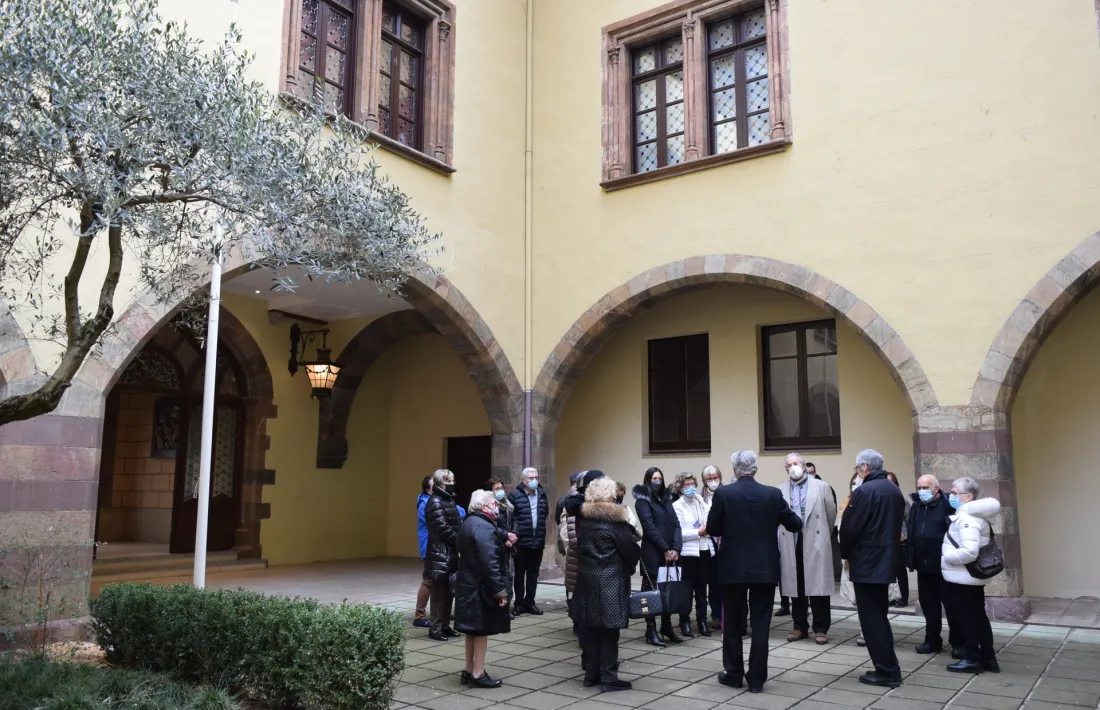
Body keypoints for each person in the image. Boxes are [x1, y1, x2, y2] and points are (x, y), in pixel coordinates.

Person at [707, 450, 801, 693]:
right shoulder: (772, 494)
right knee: (761, 624)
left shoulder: (724, 493)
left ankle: (734, 674)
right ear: (755, 469)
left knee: (732, 623)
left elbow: (713, 528)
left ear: (735, 470)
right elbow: (795, 524)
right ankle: (757, 679)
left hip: (733, 567)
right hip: (764, 568)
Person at [839, 449, 906, 688]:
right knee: (879, 616)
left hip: (867, 562)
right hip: (885, 560)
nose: (858, 472)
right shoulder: (893, 490)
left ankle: (886, 671)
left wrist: (845, 553)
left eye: (858, 467)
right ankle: (888, 666)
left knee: (871, 620)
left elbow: (849, 527)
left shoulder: (865, 490)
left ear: (865, 467)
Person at [574, 476, 642, 692]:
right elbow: (631, 551)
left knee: (592, 630)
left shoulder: (584, 520)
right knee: (610, 632)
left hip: (587, 581)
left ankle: (591, 674)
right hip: (611, 582)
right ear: (610, 496)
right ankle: (609, 678)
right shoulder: (616, 524)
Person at [941, 477, 1001, 674]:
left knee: (968, 619)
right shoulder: (969, 515)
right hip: (967, 576)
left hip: (965, 577)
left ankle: (972, 659)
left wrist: (947, 557)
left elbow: (969, 552)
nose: (951, 495)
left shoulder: (967, 518)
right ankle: (988, 659)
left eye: (954, 492)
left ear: (967, 496)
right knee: (978, 617)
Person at [454, 489, 512, 688]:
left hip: (469, 584)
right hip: (479, 587)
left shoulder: (469, 522)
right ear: (484, 507)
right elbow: (490, 563)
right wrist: (500, 591)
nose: (497, 507)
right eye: (494, 504)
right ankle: (478, 673)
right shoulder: (484, 527)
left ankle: (469, 670)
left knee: (472, 631)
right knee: (481, 631)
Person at [778, 453, 837, 645]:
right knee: (796, 585)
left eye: (795, 463)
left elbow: (830, 515)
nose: (793, 467)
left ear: (803, 466)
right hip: (791, 539)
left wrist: (822, 536)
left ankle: (821, 628)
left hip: (815, 538)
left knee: (818, 584)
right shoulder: (780, 489)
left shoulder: (821, 486)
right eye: (789, 465)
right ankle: (799, 626)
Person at [907, 474, 964, 657]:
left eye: (925, 487)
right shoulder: (917, 506)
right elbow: (912, 531)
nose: (921, 491)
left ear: (936, 489)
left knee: (953, 606)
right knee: (929, 606)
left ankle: (958, 643)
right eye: (919, 487)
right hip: (923, 566)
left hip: (944, 566)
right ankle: (932, 640)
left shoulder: (948, 505)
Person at [633, 466, 683, 647]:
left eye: (660, 478)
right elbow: (649, 526)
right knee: (651, 592)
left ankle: (666, 626)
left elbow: (676, 524)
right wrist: (664, 548)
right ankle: (651, 629)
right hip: (653, 553)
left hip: (670, 554)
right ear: (647, 480)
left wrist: (676, 547)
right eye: (654, 478)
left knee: (668, 590)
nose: (658, 481)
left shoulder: (666, 498)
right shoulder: (642, 501)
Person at [672, 472, 715, 638]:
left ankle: (702, 620)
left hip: (704, 550)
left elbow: (710, 519)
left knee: (702, 589)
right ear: (680, 488)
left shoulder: (700, 501)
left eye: (692, 484)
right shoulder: (677, 506)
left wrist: (708, 528)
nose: (690, 487)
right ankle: (684, 621)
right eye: (686, 485)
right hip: (688, 553)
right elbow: (678, 532)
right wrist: (698, 532)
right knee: (686, 589)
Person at [423, 468, 463, 642]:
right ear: (440, 483)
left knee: (449, 593)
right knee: (439, 595)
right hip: (440, 553)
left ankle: (445, 626)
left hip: (450, 553)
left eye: (453, 480)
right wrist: (460, 541)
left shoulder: (448, 499)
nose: (452, 483)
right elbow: (442, 528)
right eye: (448, 481)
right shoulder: (435, 502)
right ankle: (436, 628)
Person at [508, 467, 549, 616]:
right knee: (519, 574)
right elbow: (511, 517)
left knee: (533, 574)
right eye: (531, 478)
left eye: (536, 478)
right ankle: (519, 603)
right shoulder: (514, 495)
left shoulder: (542, 494)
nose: (534, 481)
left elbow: (545, 514)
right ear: (524, 480)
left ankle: (530, 602)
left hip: (537, 540)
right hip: (521, 541)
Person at [560, 471, 590, 640]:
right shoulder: (572, 503)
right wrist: (571, 547)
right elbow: (565, 530)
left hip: (582, 555)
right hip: (576, 554)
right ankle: (577, 622)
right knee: (575, 590)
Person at [837, 468, 865, 646]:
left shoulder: (868, 502)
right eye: (853, 484)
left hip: (866, 556)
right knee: (857, 598)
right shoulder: (846, 504)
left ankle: (868, 631)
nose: (855, 486)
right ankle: (864, 629)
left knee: (869, 599)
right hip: (850, 557)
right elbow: (841, 530)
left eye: (858, 483)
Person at [700, 465, 724, 627]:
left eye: (715, 477)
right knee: (713, 582)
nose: (713, 481)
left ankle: (727, 613)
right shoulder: (699, 497)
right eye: (709, 478)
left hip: (725, 543)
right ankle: (716, 614)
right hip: (708, 544)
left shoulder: (726, 493)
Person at [885, 472, 912, 607]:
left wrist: (904, 535)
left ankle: (903, 598)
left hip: (899, 542)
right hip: (884, 541)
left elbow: (909, 521)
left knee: (900, 571)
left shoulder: (902, 501)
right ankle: (890, 597)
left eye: (891, 482)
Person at [415, 475, 434, 628]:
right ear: (428, 489)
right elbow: (433, 520)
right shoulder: (424, 504)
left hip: (438, 547)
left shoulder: (440, 501)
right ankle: (419, 616)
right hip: (429, 547)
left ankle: (440, 611)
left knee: (439, 581)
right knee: (429, 580)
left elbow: (460, 512)